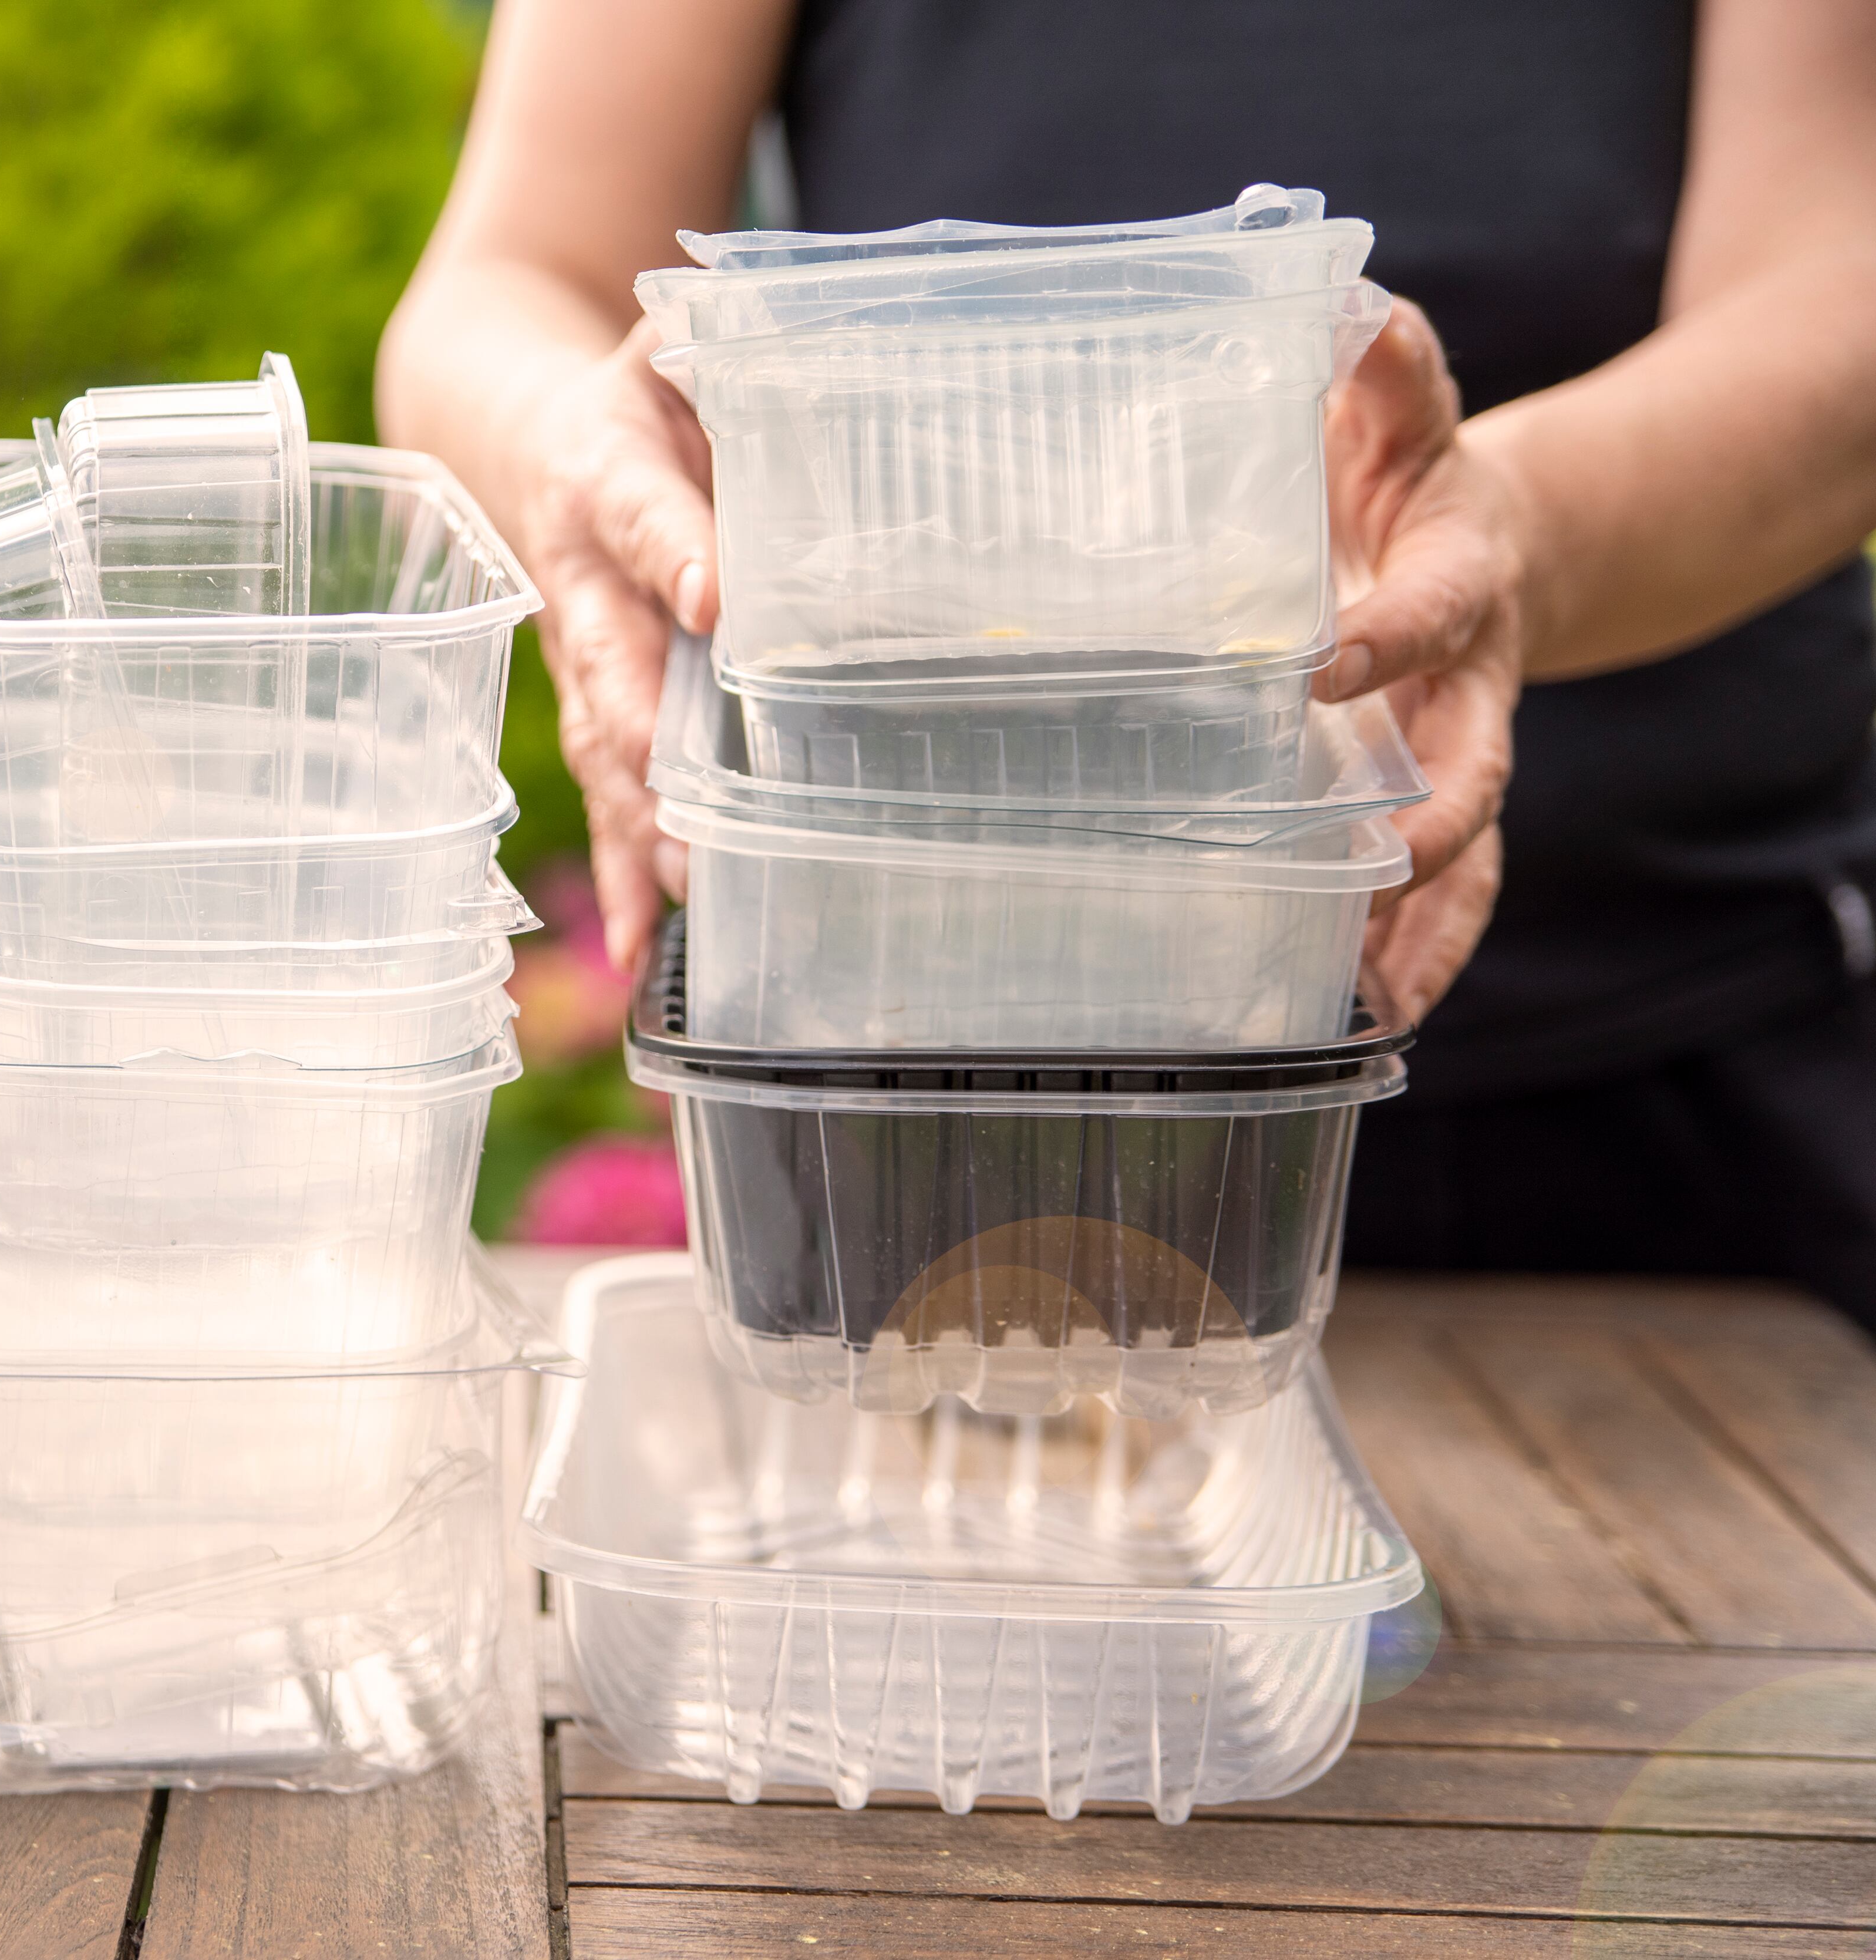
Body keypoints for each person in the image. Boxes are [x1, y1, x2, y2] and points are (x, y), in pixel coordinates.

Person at [378, 0, 1876, 1325]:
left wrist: (1512, 528)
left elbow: (1838, 290)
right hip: (922, 1086)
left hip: (1676, 1065)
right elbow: (507, 285)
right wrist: (573, 452)